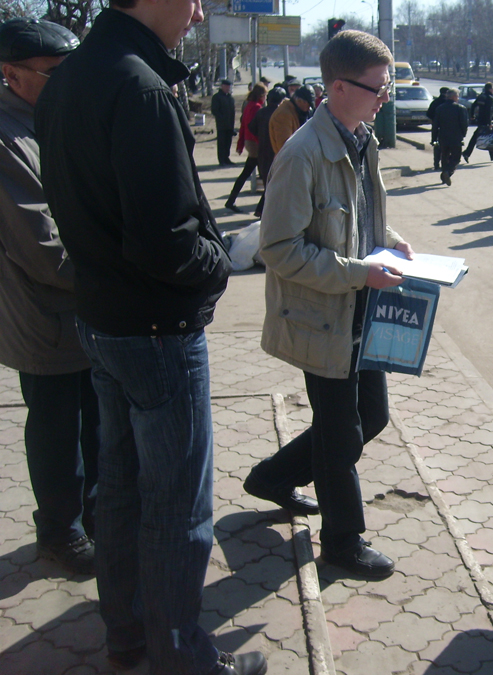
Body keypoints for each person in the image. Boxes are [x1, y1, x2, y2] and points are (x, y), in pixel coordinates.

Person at [35, 4, 265, 675]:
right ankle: (180, 655)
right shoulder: (139, 87)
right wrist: (223, 263)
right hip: (156, 331)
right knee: (177, 506)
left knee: (121, 487)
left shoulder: (72, 76)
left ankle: (129, 632)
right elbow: (166, 243)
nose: (198, 11)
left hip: (104, 319)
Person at [244, 30, 415, 581]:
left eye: (387, 88)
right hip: (322, 318)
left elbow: (356, 217)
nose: (384, 98)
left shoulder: (360, 138)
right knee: (340, 436)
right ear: (338, 87)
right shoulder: (302, 153)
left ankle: (273, 476)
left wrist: (391, 240)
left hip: (361, 310)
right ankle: (343, 541)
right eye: (377, 88)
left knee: (372, 417)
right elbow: (279, 249)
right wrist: (360, 272)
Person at [0, 18, 99, 577]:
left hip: (84, 307)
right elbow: (41, 248)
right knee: (59, 428)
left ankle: (92, 516)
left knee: (94, 422)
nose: (69, 81)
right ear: (12, 75)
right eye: (53, 73)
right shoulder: (7, 138)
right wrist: (113, 275)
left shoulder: (52, 118)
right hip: (44, 315)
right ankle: (61, 531)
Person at [224, 83, 266, 213]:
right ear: (261, 95)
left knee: (249, 173)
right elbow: (254, 128)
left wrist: (240, 144)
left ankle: (231, 200)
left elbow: (243, 126)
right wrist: (261, 144)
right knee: (265, 175)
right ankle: (262, 208)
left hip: (249, 142)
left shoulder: (249, 105)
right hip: (255, 144)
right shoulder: (257, 107)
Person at [249, 86, 287, 217]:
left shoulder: (261, 112)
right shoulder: (281, 114)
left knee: (269, 184)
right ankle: (265, 213)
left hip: (263, 153)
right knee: (275, 186)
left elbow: (251, 127)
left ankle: (261, 211)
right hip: (276, 153)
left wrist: (261, 137)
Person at [433, 87, 468, 186]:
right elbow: (464, 124)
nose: (458, 98)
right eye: (457, 96)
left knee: (444, 156)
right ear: (454, 97)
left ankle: (444, 174)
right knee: (456, 158)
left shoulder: (440, 108)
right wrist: (463, 134)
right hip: (456, 137)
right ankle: (448, 172)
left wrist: (434, 138)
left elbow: (435, 125)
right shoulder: (460, 108)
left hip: (443, 137)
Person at [269, 85, 314, 154]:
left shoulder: (295, 111)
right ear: (299, 101)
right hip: (288, 159)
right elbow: (285, 147)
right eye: (308, 105)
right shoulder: (283, 114)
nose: (308, 109)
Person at [463, 82, 493, 162]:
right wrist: (489, 122)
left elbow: (473, 105)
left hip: (480, 119)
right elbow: (489, 112)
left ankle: (492, 154)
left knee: (481, 136)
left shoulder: (481, 96)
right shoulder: (489, 98)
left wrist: (472, 115)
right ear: (490, 89)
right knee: (485, 136)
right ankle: (467, 153)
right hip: (485, 121)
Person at [211, 78, 236, 165]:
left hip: (230, 124)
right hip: (221, 125)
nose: (228, 88)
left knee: (228, 142)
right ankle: (221, 160)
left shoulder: (230, 98)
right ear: (222, 86)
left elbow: (232, 111)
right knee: (222, 143)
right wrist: (222, 118)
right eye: (226, 86)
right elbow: (215, 110)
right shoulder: (217, 97)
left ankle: (226, 158)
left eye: (229, 87)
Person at [427, 86, 449, 170]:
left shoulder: (435, 102)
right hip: (446, 127)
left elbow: (429, 113)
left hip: (436, 126)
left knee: (437, 145)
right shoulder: (447, 103)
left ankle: (436, 163)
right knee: (446, 146)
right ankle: (445, 163)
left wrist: (435, 119)